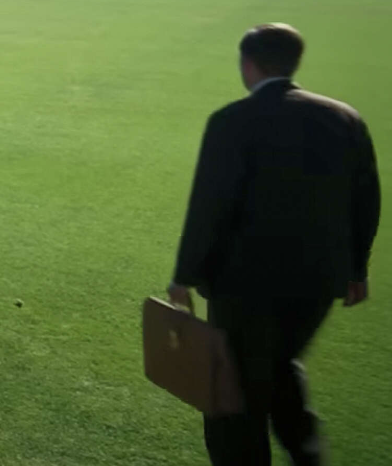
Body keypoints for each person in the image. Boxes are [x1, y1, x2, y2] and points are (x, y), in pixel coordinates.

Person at [168, 23, 381, 466]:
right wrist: (357, 269)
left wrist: (184, 277)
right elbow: (366, 201)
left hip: (244, 285)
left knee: (231, 394)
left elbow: (209, 206)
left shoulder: (231, 121)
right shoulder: (344, 117)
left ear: (248, 65)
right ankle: (307, 451)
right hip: (318, 283)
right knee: (281, 365)